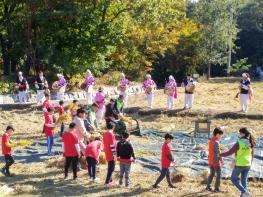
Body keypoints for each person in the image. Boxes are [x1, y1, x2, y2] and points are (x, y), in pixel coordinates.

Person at [220, 128, 255, 197]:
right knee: (244, 180)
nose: (239, 134)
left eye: (240, 133)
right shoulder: (251, 142)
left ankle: (245, 192)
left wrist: (220, 154)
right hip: (248, 163)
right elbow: (252, 154)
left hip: (240, 164)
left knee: (233, 179)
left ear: (243, 134)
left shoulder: (239, 143)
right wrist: (250, 162)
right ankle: (244, 195)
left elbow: (229, 152)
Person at [206, 127, 224, 192]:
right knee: (219, 174)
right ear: (217, 134)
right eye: (220, 135)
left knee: (212, 173)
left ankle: (208, 187)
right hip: (215, 161)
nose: (221, 136)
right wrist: (221, 160)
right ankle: (216, 188)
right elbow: (218, 153)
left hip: (210, 160)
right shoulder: (216, 142)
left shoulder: (211, 140)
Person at [103, 122, 117, 186]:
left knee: (109, 165)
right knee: (112, 167)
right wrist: (114, 154)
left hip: (107, 151)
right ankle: (107, 182)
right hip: (111, 152)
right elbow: (112, 145)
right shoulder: (111, 134)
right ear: (113, 127)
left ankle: (110, 180)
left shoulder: (105, 133)